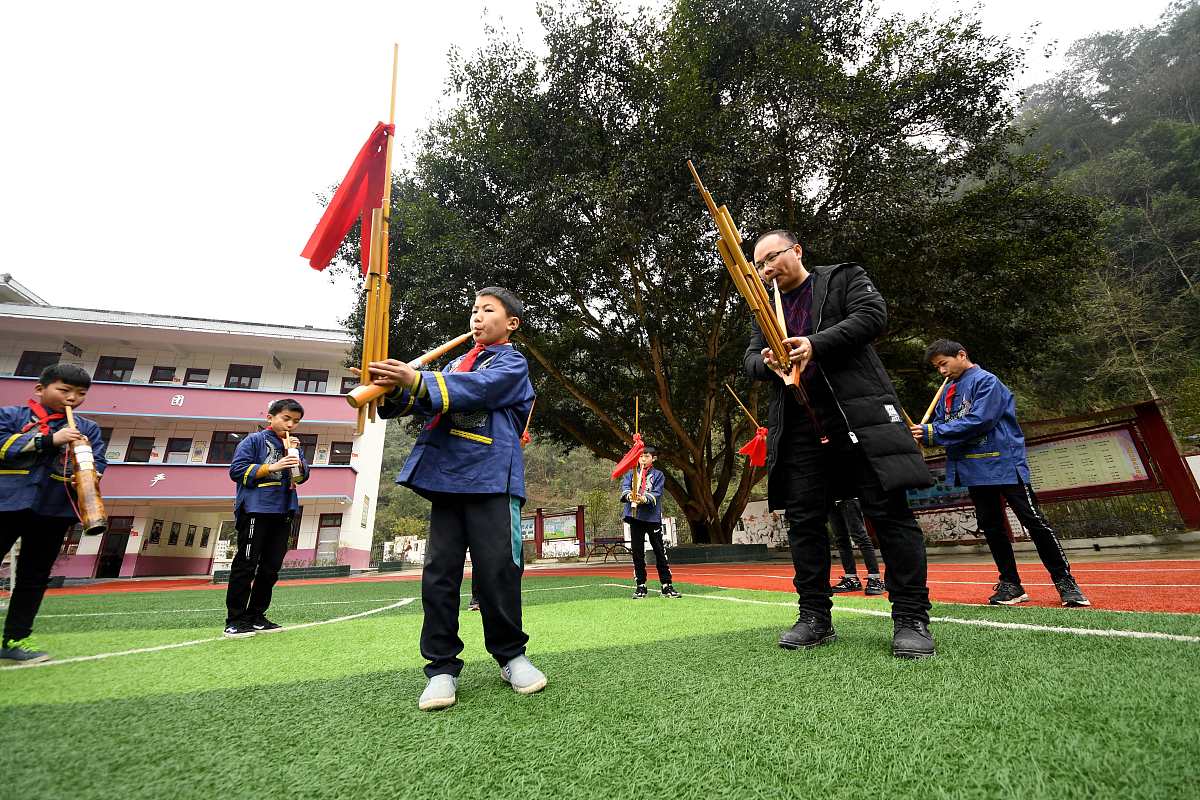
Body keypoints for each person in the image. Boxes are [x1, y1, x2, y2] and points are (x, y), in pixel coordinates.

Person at [746, 230, 936, 659]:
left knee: (889, 513)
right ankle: (814, 616)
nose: (766, 269)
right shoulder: (765, 310)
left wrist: (814, 344)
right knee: (804, 521)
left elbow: (872, 316)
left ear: (797, 250)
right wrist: (767, 362)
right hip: (799, 426)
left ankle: (910, 617)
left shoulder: (842, 278)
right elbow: (750, 358)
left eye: (772, 257)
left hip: (858, 416)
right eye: (759, 265)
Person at [365, 286, 545, 711]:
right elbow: (420, 401)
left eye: (487, 310)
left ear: (511, 323)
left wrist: (417, 379)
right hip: (448, 479)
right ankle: (441, 667)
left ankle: (511, 655)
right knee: (439, 574)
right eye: (474, 310)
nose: (477, 317)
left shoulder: (511, 363)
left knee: (498, 570)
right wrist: (389, 388)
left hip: (492, 478)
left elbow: (480, 388)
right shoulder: (452, 365)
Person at [911, 340, 1090, 607]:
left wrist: (934, 432)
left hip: (1004, 463)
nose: (942, 371)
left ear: (961, 355)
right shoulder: (948, 390)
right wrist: (924, 435)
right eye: (937, 367)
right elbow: (941, 427)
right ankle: (1011, 584)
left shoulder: (986, 381)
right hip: (972, 468)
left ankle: (1066, 582)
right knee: (992, 527)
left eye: (944, 364)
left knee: (1033, 521)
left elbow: (980, 420)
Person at [0, 363, 107, 664]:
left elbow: (98, 460)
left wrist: (89, 473)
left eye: (80, 393)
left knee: (34, 576)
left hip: (54, 509)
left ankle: (16, 638)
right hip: (6, 502)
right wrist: (49, 440)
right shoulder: (12, 416)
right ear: (40, 389)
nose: (72, 398)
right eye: (64, 390)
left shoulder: (87, 429)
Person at [223, 398, 309, 638]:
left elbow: (301, 478)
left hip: (283, 510)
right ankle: (235, 620)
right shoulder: (254, 440)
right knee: (246, 564)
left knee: (271, 568)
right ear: (270, 417)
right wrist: (272, 467)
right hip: (256, 509)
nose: (290, 425)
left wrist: (295, 458)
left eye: (296, 421)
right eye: (286, 418)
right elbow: (236, 470)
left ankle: (256, 615)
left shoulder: (293, 446)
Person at [620, 447, 681, 599]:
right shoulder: (631, 474)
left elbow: (657, 493)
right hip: (635, 518)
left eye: (646, 456)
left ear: (653, 458)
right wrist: (630, 496)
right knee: (637, 552)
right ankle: (641, 585)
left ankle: (666, 585)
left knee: (660, 551)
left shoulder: (658, 475)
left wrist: (643, 498)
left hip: (652, 518)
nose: (643, 459)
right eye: (640, 456)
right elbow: (625, 488)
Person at [829, 498, 884, 596]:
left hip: (849, 497)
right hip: (831, 500)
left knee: (860, 536)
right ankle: (851, 578)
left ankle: (875, 579)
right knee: (840, 539)